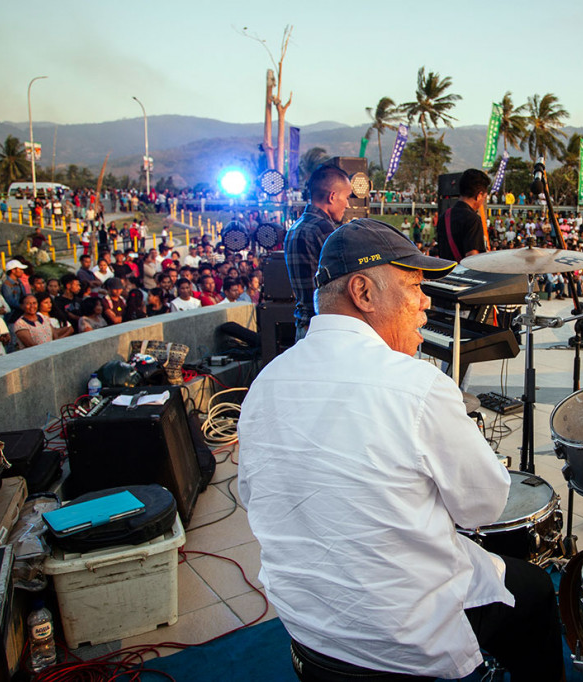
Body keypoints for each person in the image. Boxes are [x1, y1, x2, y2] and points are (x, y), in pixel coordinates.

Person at [239, 219, 563, 681]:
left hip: (307, 624)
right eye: (413, 285)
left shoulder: (265, 382)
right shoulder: (417, 385)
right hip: (401, 635)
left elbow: (256, 497)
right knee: (533, 589)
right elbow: (485, 507)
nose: (426, 301)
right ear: (363, 292)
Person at [284, 163, 352, 340]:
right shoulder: (322, 228)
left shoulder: (295, 228)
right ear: (332, 196)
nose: (348, 205)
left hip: (304, 325)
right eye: (346, 197)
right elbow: (346, 278)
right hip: (324, 330)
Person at [437, 169, 490, 262]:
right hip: (463, 271)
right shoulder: (473, 219)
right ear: (479, 195)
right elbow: (472, 259)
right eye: (484, 197)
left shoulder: (444, 217)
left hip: (447, 270)